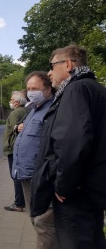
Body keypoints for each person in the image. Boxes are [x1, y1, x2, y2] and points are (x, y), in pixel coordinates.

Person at [31, 45, 106, 248]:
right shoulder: (96, 89)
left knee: (74, 241)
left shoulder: (75, 89)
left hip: (75, 193)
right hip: (93, 187)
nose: (49, 72)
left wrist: (65, 185)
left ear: (68, 64)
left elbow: (72, 142)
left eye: (52, 66)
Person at [12, 71, 56, 248]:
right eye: (28, 88)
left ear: (47, 88)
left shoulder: (53, 109)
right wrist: (17, 128)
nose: (30, 92)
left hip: (40, 176)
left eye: (35, 88)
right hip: (26, 174)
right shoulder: (34, 108)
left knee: (44, 223)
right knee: (35, 219)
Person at [3, 91, 28, 212]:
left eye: (11, 99)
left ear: (17, 102)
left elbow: (15, 130)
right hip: (22, 148)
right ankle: (24, 201)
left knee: (15, 176)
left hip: (13, 148)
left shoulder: (15, 113)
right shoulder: (26, 111)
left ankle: (18, 203)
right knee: (22, 176)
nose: (10, 101)